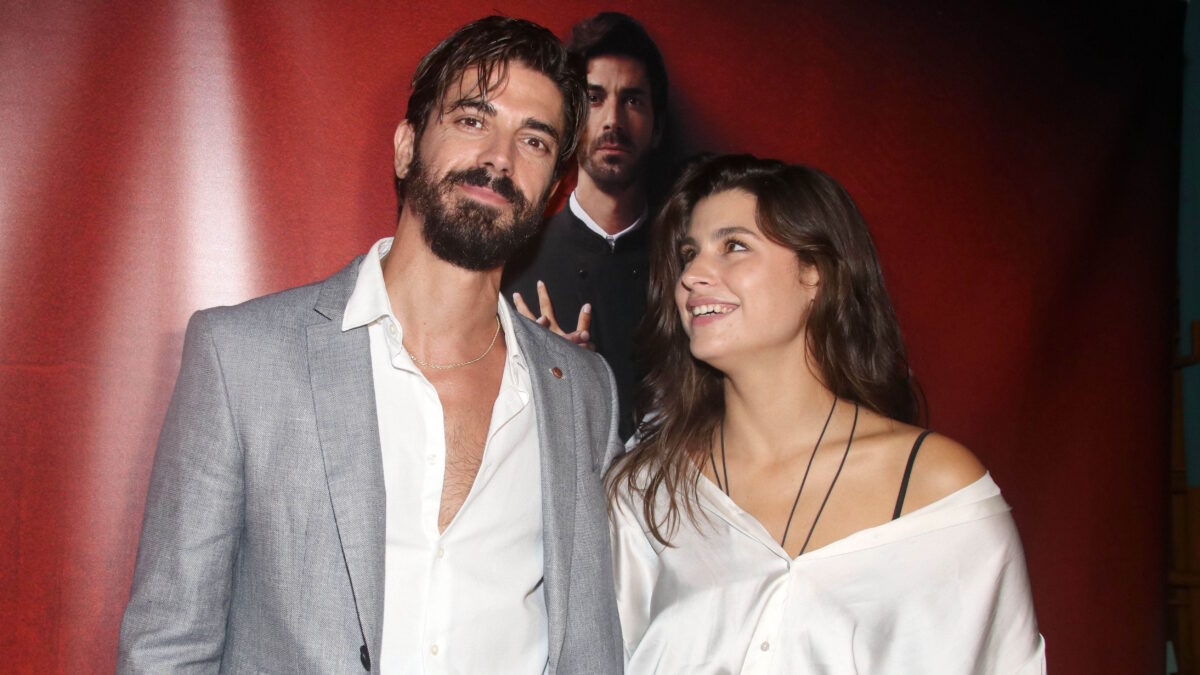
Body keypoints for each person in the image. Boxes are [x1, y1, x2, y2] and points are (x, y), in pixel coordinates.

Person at [117, 17, 623, 673]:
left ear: (555, 190)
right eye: (473, 119)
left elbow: (589, 647)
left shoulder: (584, 392)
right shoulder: (241, 358)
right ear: (407, 147)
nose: (500, 157)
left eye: (534, 140)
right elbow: (167, 648)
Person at [608, 154, 1046, 672]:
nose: (693, 276)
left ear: (815, 274)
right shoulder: (647, 492)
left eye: (734, 246)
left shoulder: (936, 490)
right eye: (689, 254)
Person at [503, 12, 669, 440]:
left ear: (658, 127)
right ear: (570, 121)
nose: (613, 120)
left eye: (632, 100)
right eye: (594, 98)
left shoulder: (690, 265)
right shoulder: (515, 257)